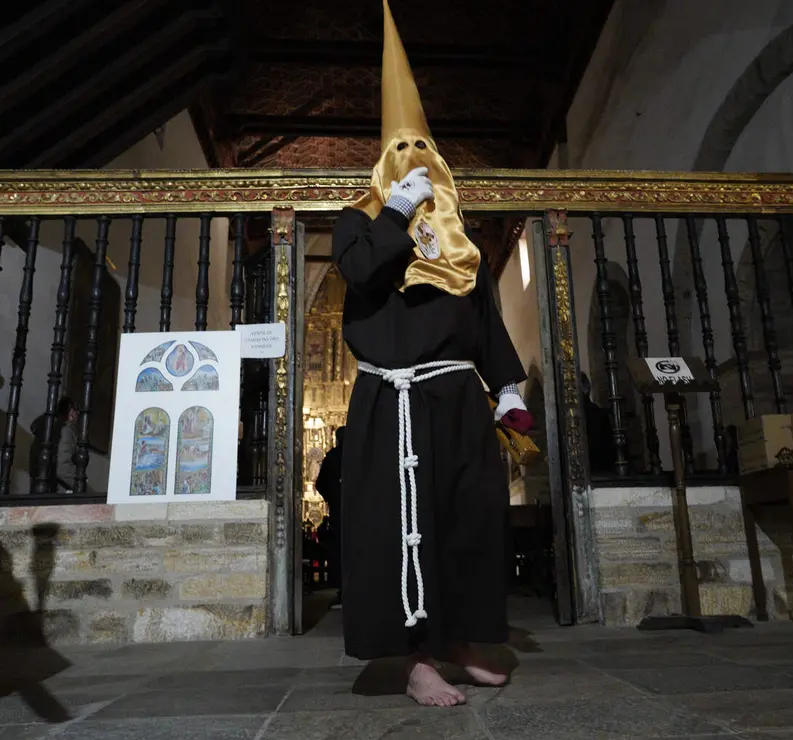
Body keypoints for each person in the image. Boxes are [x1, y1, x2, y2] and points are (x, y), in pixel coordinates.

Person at [332, 0, 533, 707]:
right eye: (401, 153)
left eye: (425, 152)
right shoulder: (358, 222)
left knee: (470, 520)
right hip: (392, 398)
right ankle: (414, 658)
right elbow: (358, 277)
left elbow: (483, 316)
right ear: (384, 166)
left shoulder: (461, 242)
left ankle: (460, 640)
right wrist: (392, 213)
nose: (415, 163)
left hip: (455, 396)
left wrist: (505, 385)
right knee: (398, 526)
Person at [315, 427, 345, 602]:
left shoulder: (332, 457)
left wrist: (331, 497)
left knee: (339, 549)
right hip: (350, 512)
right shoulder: (353, 456)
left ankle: (341, 586)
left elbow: (320, 484)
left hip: (338, 510)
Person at [28, 397, 79, 493]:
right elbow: (62, 466)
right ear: (71, 412)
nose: (78, 415)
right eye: (76, 411)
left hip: (39, 486)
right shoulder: (64, 430)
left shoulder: (47, 429)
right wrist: (79, 485)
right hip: (57, 489)